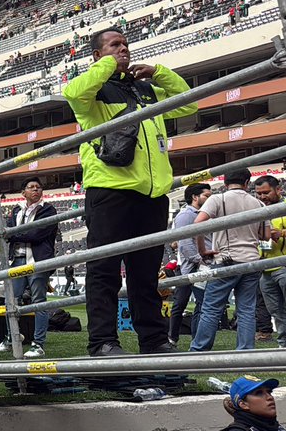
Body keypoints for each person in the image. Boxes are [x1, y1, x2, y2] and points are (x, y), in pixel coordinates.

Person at [62, 28, 198, 356]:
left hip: (152, 195)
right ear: (97, 55)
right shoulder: (92, 90)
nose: (123, 49)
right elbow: (73, 91)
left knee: (145, 277)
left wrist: (160, 73)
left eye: (125, 45)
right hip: (110, 192)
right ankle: (103, 342)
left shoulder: (145, 89)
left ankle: (153, 341)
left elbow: (188, 106)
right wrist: (108, 64)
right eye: (114, 46)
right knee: (104, 272)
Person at [190, 169, 270, 352]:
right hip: (251, 261)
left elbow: (197, 225)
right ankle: (245, 351)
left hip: (226, 259)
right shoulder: (258, 203)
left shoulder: (218, 199)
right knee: (247, 310)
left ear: (225, 183)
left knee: (211, 309)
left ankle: (199, 350)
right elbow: (265, 235)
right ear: (247, 182)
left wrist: (203, 251)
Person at [0, 177, 58, 357]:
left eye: (38, 187)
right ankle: (12, 337)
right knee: (12, 300)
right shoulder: (17, 209)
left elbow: (37, 234)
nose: (35, 190)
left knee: (38, 301)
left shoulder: (48, 209)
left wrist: (14, 235)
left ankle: (38, 343)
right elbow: (6, 231)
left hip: (37, 260)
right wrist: (12, 234)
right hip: (17, 259)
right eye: (31, 187)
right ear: (23, 192)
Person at [168, 183, 212, 346]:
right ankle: (173, 337)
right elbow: (185, 243)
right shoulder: (186, 215)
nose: (210, 198)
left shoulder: (202, 213)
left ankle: (194, 338)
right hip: (192, 267)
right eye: (206, 195)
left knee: (199, 305)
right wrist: (199, 259)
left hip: (198, 264)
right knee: (182, 304)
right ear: (195, 197)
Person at [254, 176, 286, 348]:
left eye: (266, 192)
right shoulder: (258, 211)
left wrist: (282, 233)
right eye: (258, 194)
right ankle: (284, 343)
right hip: (266, 269)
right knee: (276, 311)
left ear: (278, 190)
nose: (262, 197)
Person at [213, 375, 286, 431]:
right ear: (243, 404)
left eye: (269, 392)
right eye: (259, 393)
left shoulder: (274, 427)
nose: (269, 397)